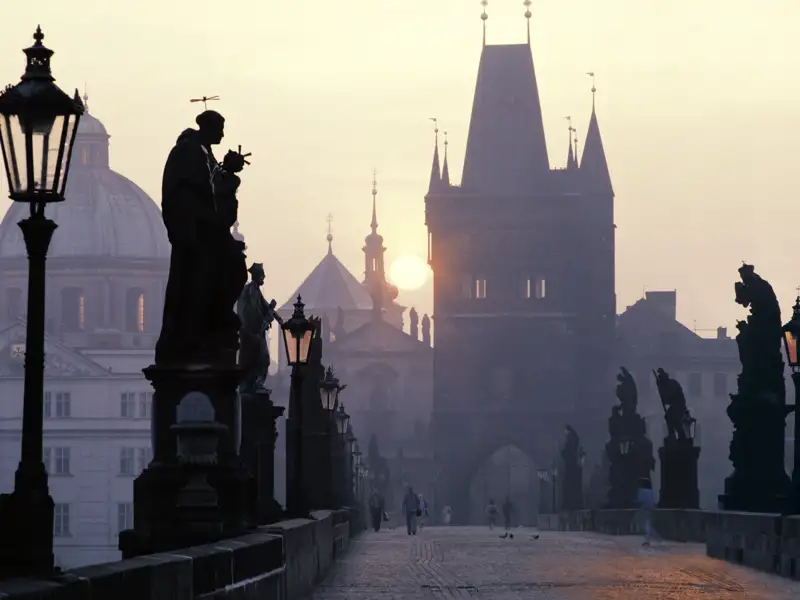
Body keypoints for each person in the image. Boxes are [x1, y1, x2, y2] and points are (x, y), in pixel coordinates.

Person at [636, 477, 658, 546]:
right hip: (650, 509)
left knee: (646, 524)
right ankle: (650, 537)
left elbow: (639, 500)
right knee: (648, 524)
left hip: (645, 509)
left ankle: (649, 538)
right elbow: (653, 501)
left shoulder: (642, 491)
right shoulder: (651, 491)